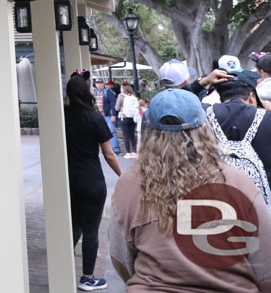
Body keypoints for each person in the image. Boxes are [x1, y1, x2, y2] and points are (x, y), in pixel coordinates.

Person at [108, 89, 271, 291]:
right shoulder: (237, 182)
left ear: (150, 132)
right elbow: (265, 262)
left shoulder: (129, 185)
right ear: (204, 128)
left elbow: (120, 256)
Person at [66, 75, 122, 291]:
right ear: (87, 91)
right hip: (91, 181)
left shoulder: (63, 115)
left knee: (73, 226)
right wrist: (122, 174)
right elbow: (109, 154)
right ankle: (88, 278)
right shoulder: (94, 117)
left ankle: (62, 265)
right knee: (90, 229)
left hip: (68, 180)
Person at [207, 78, 271, 195]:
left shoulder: (205, 115)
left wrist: (201, 83)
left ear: (220, 99)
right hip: (262, 197)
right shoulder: (267, 117)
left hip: (222, 195)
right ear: (251, 96)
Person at [103, 80, 122, 155]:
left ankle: (115, 149)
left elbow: (113, 103)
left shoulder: (109, 92)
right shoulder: (99, 92)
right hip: (103, 114)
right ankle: (112, 148)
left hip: (108, 114)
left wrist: (113, 114)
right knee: (110, 131)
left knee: (112, 131)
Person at [119, 84, 139, 158]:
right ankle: (134, 151)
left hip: (124, 117)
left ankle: (128, 152)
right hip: (133, 118)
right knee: (132, 135)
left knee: (126, 135)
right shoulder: (134, 97)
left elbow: (117, 107)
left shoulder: (121, 97)